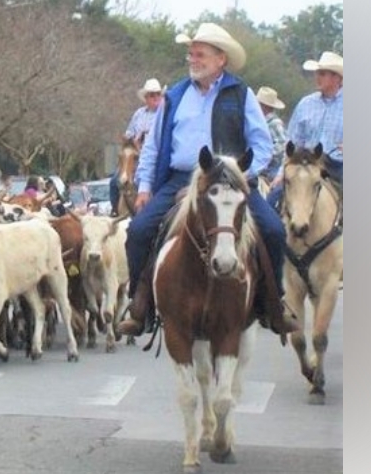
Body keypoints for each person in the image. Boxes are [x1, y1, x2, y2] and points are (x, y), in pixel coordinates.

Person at [116, 22, 301, 338]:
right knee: (139, 230)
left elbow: (262, 145)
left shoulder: (240, 94)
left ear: (221, 60)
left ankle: (274, 303)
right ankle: (140, 303)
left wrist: (242, 176)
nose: (193, 60)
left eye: (200, 54)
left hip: (230, 181)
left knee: (272, 229)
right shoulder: (173, 96)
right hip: (180, 179)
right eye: (191, 54)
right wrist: (145, 186)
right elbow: (154, 147)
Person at [268, 51, 344, 207]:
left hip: (338, 166)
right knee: (273, 198)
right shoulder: (305, 104)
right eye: (317, 73)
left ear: (337, 78)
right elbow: (292, 142)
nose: (317, 77)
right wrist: (281, 174)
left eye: (322, 74)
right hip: (304, 163)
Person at [109, 78, 163, 214]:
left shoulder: (164, 114)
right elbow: (128, 133)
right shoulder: (139, 114)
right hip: (135, 156)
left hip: (156, 157)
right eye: (151, 95)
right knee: (115, 181)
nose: (155, 97)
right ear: (146, 98)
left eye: (157, 94)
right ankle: (115, 210)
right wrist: (133, 138)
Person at [255, 86, 288, 185]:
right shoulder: (258, 122)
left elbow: (281, 145)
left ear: (264, 106)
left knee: (274, 189)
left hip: (272, 168)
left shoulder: (275, 123)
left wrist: (265, 155)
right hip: (260, 166)